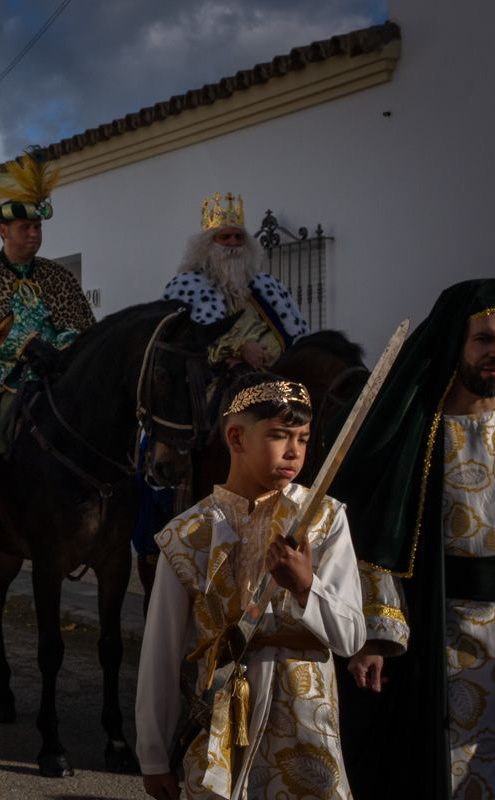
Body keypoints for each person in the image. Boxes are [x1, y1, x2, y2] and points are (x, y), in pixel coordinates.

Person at [136, 373, 365, 800]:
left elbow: (350, 637)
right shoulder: (187, 535)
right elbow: (160, 655)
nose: (295, 451)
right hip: (222, 725)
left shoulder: (326, 519)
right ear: (237, 438)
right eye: (279, 436)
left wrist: (304, 586)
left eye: (302, 437)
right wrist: (152, 756)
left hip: (308, 734)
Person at [332, 279, 495, 800]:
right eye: (484, 340)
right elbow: (379, 537)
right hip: (437, 626)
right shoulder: (417, 431)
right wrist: (378, 635)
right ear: (455, 343)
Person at [0, 149, 94, 449]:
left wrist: (55, 347)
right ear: (4, 230)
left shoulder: (60, 276)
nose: (33, 234)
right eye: (24, 227)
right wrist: (24, 345)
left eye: (37, 227)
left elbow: (84, 326)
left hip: (56, 371)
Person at [163, 193, 308, 369]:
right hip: (213, 380)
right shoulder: (187, 285)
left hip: (274, 372)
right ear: (207, 245)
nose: (233, 243)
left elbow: (293, 335)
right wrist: (239, 350)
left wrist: (263, 353)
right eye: (225, 237)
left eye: (239, 237)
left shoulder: (267, 285)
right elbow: (179, 343)